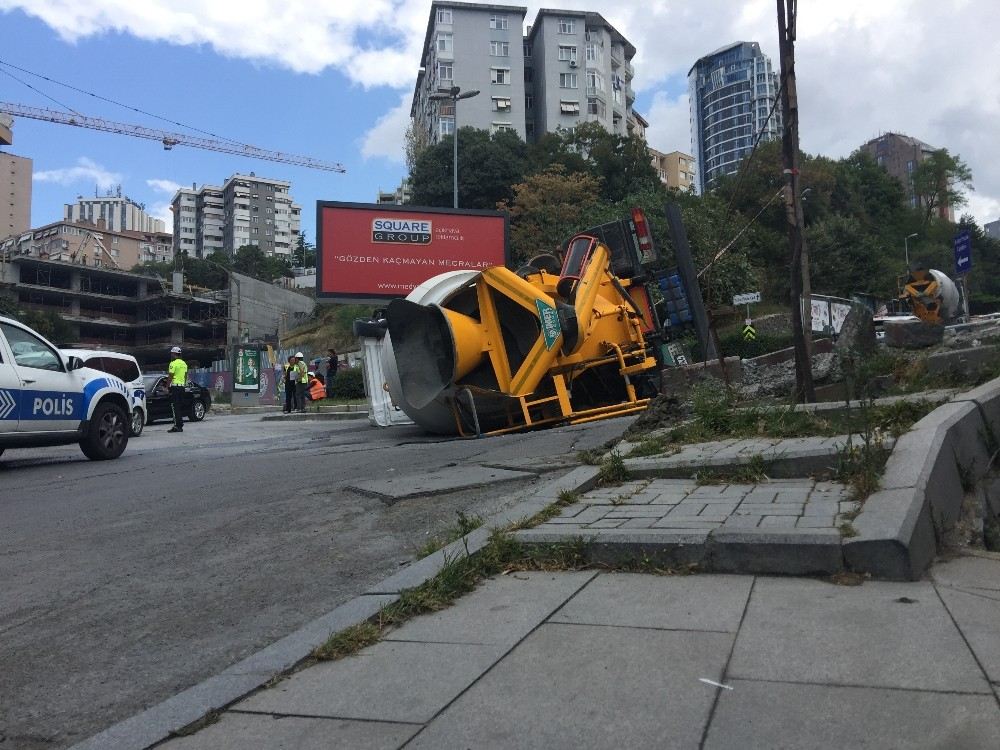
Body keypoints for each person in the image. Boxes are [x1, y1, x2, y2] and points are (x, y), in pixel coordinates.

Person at [167, 345, 188, 433]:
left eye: (172, 353)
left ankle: (177, 426)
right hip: (182, 387)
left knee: (175, 407)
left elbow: (170, 376)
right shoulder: (184, 364)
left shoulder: (173, 363)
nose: (171, 355)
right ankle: (180, 424)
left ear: (175, 354)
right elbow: (185, 376)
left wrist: (167, 387)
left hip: (175, 387)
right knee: (179, 407)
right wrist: (183, 385)